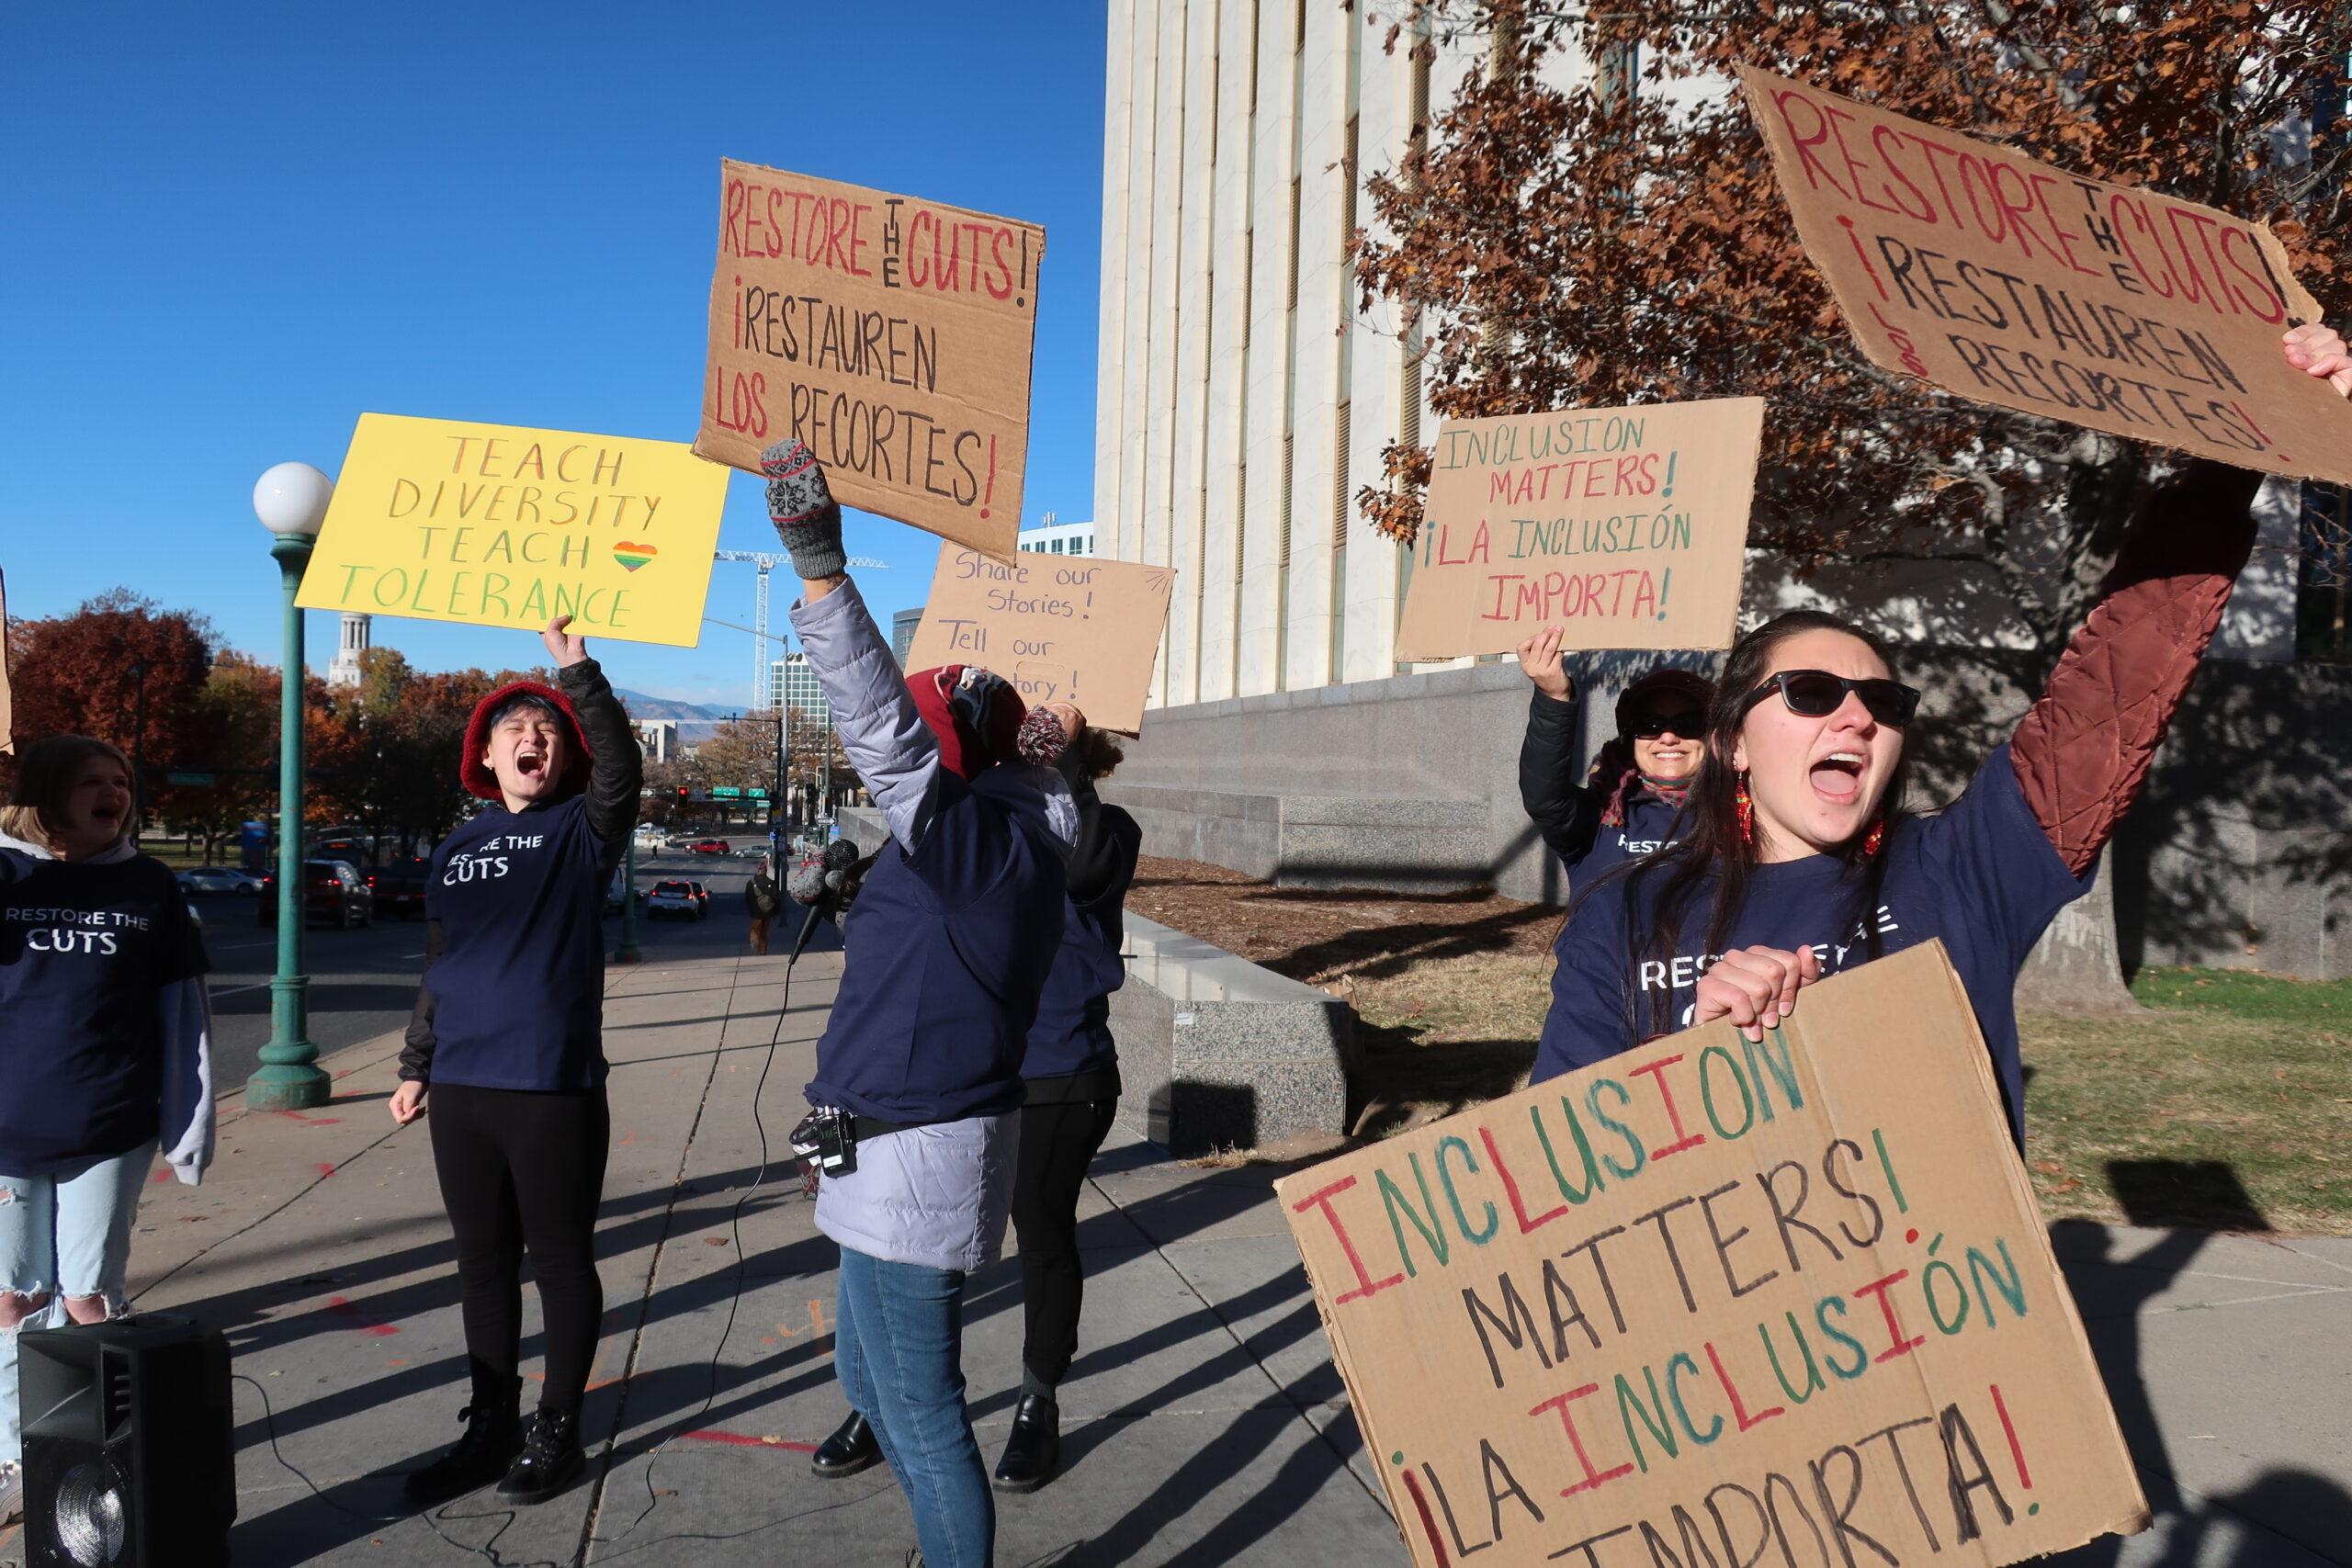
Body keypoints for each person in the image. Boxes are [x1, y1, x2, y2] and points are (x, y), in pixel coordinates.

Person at [1534, 322, 2352, 1147]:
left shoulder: (1963, 870)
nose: (1856, 716)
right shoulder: (1630, 912)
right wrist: (1697, 1061)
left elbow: (2117, 687)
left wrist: (2257, 428)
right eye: (1811, 693)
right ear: (1733, 742)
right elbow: (1564, 1166)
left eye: (1884, 701)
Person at [765, 437, 1079, 1568]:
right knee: (865, 1376)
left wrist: (818, 570)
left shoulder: (978, 845)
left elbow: (884, 740)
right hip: (884, 1132)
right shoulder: (994, 837)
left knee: (923, 1411)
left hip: (916, 1146)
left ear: (954, 762)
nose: (891, 776)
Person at [390, 615, 642, 1506]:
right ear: (486, 759)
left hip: (550, 1088)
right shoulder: (455, 848)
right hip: (460, 1089)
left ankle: (556, 1430)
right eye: (512, 733)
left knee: (560, 1261)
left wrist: (578, 675)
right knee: (481, 1264)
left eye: (542, 733)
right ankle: (489, 1427)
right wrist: (416, 1061)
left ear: (559, 756)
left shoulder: (583, 833)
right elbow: (439, 961)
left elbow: (622, 771)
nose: (529, 740)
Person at [0, 737, 215, 1527]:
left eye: (121, 780)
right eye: (91, 780)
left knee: (90, 1297)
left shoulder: (149, 884)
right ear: (48, 790)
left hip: (109, 1128)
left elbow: (183, 1015)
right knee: (13, 1296)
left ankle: (100, 1457)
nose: (112, 792)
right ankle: (16, 1455)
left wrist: (188, 1126)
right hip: (4, 1134)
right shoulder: (6, 872)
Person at [1515, 625, 1713, 882]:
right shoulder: (1597, 816)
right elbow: (1545, 798)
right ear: (1629, 735)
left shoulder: (1742, 814)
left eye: (1688, 723)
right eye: (1650, 725)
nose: (1668, 737)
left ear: (1712, 734)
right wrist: (1554, 696)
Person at [746, 852, 782, 954]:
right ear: (765, 871)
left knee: (755, 929)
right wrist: (776, 911)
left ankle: (754, 943)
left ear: (758, 871)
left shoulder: (751, 883)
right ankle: (763, 949)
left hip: (755, 912)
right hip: (767, 912)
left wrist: (751, 908)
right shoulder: (771, 882)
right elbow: (776, 898)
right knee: (765, 932)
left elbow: (747, 897)